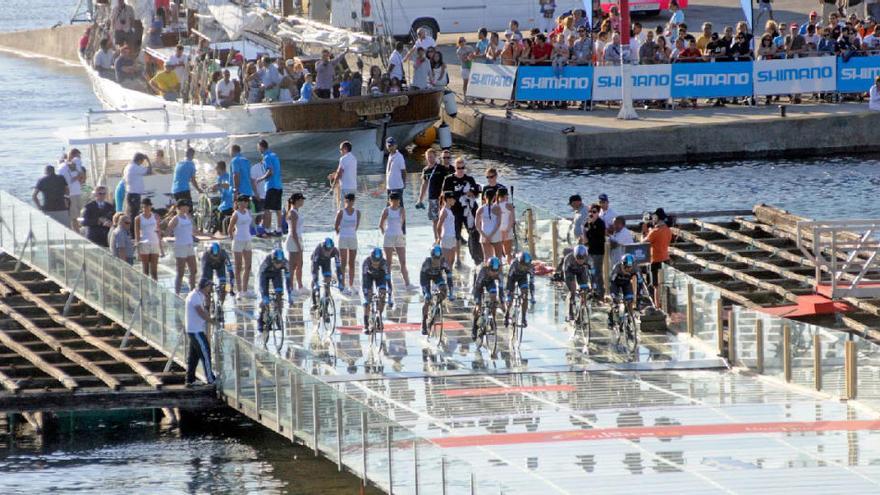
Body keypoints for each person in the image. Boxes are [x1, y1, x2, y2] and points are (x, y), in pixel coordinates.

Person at [441, 158, 479, 267]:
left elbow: (476, 193)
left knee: (472, 233)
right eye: (458, 168)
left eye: (462, 167)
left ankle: (476, 257)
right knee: (456, 236)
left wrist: (471, 193)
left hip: (468, 212)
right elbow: (444, 195)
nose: (461, 170)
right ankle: (458, 259)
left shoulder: (469, 179)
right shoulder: (449, 179)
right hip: (454, 211)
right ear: (455, 168)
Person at [184, 279, 216, 386]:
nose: (210, 289)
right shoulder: (194, 296)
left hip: (194, 329)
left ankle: (190, 380)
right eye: (209, 286)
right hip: (195, 331)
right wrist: (212, 321)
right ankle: (211, 379)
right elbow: (200, 312)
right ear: (204, 287)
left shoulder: (199, 295)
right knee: (205, 353)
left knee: (194, 356)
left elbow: (204, 311)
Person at [419, 245, 454, 334]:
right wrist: (426, 292)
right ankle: (424, 322)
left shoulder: (444, 262)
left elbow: (449, 277)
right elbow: (422, 280)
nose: (437, 261)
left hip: (437, 276)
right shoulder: (426, 263)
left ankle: (437, 304)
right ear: (432, 257)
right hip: (426, 277)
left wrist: (451, 293)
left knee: (443, 290)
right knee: (427, 298)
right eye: (435, 259)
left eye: (439, 259)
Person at [379, 191, 412, 287]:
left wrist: (398, 233)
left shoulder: (402, 210)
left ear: (399, 201)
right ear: (389, 201)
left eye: (397, 200)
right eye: (393, 200)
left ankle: (407, 283)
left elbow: (402, 223)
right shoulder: (386, 210)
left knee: (403, 261)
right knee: (388, 262)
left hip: (399, 236)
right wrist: (385, 233)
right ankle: (387, 282)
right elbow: (381, 225)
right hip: (389, 236)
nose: (395, 202)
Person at [642, 208, 673, 306]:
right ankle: (666, 305)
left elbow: (643, 242)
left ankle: (657, 306)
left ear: (657, 217)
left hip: (655, 260)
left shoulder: (655, 231)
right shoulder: (668, 230)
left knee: (656, 286)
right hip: (666, 258)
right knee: (665, 284)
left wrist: (644, 232)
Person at [471, 257, 506, 340]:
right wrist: (478, 302)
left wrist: (502, 302)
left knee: (494, 297)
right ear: (488, 268)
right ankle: (474, 326)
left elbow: (501, 291)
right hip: (478, 284)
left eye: (496, 271)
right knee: (478, 307)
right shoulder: (482, 271)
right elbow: (477, 288)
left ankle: (493, 320)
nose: (494, 273)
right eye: (492, 271)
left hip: (490, 282)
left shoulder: (499, 273)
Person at [257, 249, 291, 332]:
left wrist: (289, 294)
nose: (278, 265)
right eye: (276, 263)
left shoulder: (286, 263)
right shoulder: (266, 261)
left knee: (279, 295)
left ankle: (278, 317)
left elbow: (288, 280)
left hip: (276, 275)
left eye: (280, 263)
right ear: (272, 260)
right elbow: (261, 279)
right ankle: (260, 319)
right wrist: (263, 295)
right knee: (265, 299)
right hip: (264, 274)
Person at [167, 199, 197, 294]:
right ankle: (177, 293)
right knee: (180, 272)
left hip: (189, 245)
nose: (187, 208)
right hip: (181, 246)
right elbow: (168, 230)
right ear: (180, 207)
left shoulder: (188, 217)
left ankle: (192, 291)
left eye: (187, 206)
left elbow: (193, 230)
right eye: (185, 206)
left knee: (194, 270)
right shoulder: (176, 219)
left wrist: (208, 235)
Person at [416, 149, 451, 228]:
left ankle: (444, 237)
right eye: (428, 157)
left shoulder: (441, 168)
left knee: (444, 218)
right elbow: (424, 185)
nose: (429, 159)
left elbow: (448, 181)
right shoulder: (425, 170)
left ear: (435, 157)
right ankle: (437, 239)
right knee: (434, 220)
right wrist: (420, 200)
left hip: (442, 198)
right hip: (432, 197)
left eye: (431, 157)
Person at [228, 195, 254, 298]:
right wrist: (233, 238)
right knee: (238, 267)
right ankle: (239, 290)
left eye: (246, 202)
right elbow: (230, 229)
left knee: (248, 266)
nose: (244, 204)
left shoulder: (248, 212)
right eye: (242, 202)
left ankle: (245, 289)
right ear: (238, 203)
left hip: (247, 240)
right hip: (238, 240)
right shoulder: (236, 214)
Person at [361, 248, 392, 334]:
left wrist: (389, 297)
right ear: (371, 258)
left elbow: (388, 281)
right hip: (368, 277)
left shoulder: (384, 263)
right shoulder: (366, 262)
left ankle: (379, 317)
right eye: (374, 262)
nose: (375, 264)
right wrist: (366, 294)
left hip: (380, 277)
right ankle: (366, 325)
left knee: (382, 294)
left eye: (377, 262)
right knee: (368, 299)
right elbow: (364, 280)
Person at [334, 193, 360, 293]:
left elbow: (356, 226)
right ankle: (342, 284)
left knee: (352, 263)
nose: (350, 203)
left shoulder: (357, 213)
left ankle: (351, 285)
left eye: (352, 201)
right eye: (348, 201)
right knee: (343, 262)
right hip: (343, 238)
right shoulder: (341, 212)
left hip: (353, 238)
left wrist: (350, 232)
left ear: (353, 201)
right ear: (345, 201)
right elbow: (336, 226)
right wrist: (341, 231)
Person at [257, 139, 283, 235]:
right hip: (279, 186)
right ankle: (279, 230)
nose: (258, 149)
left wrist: (260, 178)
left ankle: (267, 230)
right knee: (278, 209)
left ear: (261, 147)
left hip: (271, 186)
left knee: (267, 209)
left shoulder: (267, 157)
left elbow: (270, 171)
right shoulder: (274, 155)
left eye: (258, 148)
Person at [134, 197, 163, 280]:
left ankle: (155, 288)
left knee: (154, 270)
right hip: (144, 243)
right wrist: (138, 249)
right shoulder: (138, 218)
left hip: (154, 242)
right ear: (142, 207)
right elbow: (137, 234)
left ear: (150, 207)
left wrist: (160, 246)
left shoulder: (156, 216)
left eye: (147, 206)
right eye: (144, 207)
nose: (146, 208)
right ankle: (145, 290)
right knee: (145, 269)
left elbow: (158, 231)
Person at [504, 251, 535, 328]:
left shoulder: (531, 267)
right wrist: (509, 293)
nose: (524, 267)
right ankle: (507, 314)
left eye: (526, 266)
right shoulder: (514, 264)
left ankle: (523, 318)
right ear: (518, 262)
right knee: (510, 298)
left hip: (522, 278)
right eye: (522, 265)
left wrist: (532, 297)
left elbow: (531, 283)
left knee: (525, 295)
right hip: (512, 278)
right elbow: (509, 279)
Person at [310, 237, 343, 310]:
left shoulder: (335, 251)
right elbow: (314, 269)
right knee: (315, 278)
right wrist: (316, 282)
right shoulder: (318, 250)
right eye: (326, 250)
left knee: (327, 282)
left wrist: (341, 282)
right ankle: (314, 301)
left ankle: (326, 309)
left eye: (330, 250)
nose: (328, 252)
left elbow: (338, 268)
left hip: (326, 262)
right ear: (322, 248)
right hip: (316, 261)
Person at [58, 149, 87, 230]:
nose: (79, 158)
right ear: (73, 156)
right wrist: (79, 174)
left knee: (77, 215)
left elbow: (81, 180)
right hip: (71, 194)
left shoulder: (72, 166)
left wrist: (79, 173)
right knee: (74, 217)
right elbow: (72, 180)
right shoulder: (67, 166)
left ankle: (77, 230)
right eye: (78, 156)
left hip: (76, 192)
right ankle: (76, 232)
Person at [583, 203, 606, 299]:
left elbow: (597, 236)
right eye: (590, 212)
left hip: (598, 252)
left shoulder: (600, 223)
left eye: (594, 212)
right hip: (590, 251)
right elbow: (585, 236)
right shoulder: (588, 223)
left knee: (597, 272)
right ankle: (593, 290)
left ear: (598, 213)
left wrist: (591, 224)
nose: (591, 214)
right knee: (590, 272)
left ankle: (600, 293)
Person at [609, 254, 639, 326]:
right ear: (622, 265)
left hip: (626, 283)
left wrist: (637, 295)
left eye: (630, 267)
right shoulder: (616, 268)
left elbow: (639, 281)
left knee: (630, 300)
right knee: (615, 301)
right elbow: (611, 282)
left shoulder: (635, 268)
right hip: (616, 283)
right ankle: (611, 318)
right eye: (626, 267)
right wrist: (612, 295)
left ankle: (630, 321)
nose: (628, 269)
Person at [563, 244, 591, 321]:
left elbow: (593, 272)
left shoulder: (588, 259)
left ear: (585, 256)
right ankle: (570, 312)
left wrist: (593, 285)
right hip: (570, 271)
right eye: (578, 258)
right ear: (574, 256)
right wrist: (573, 287)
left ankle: (580, 314)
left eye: (582, 258)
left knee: (584, 290)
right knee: (573, 289)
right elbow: (566, 274)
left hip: (581, 271)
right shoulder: (568, 259)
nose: (581, 260)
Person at [285, 193, 306, 294]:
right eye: (301, 199)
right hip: (293, 240)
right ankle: (290, 287)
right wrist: (298, 245)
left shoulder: (297, 212)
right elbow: (293, 231)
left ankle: (300, 285)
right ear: (297, 200)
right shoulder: (292, 212)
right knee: (292, 265)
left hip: (298, 238)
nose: (303, 202)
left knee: (300, 264)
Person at [123, 152, 151, 224]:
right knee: (134, 215)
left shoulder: (128, 166)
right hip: (134, 194)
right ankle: (133, 232)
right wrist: (148, 161)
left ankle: (131, 231)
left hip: (130, 193)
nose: (142, 163)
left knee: (131, 214)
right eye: (142, 161)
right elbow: (149, 171)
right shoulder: (135, 167)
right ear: (139, 160)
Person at [476, 189, 502, 262]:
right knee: (498, 257)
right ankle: (499, 273)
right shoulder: (497, 208)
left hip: (484, 234)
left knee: (487, 258)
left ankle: (486, 273)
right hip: (495, 234)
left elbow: (477, 225)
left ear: (484, 197)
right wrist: (491, 235)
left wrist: (485, 236)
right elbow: (498, 224)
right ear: (494, 197)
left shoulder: (480, 209)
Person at [330, 141, 357, 207]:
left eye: (341, 149)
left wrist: (333, 186)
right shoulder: (354, 158)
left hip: (345, 187)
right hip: (353, 187)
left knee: (342, 208)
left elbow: (339, 173)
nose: (340, 151)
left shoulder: (343, 159)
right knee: (350, 207)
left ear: (345, 148)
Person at [435, 192, 458, 267]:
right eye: (453, 199)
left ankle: (449, 276)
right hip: (446, 237)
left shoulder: (449, 210)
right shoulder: (444, 211)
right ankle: (445, 277)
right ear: (448, 199)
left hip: (452, 236)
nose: (455, 200)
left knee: (452, 260)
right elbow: (438, 226)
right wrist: (439, 238)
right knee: (446, 261)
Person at [385, 137, 407, 205]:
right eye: (389, 146)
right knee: (389, 207)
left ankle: (403, 216)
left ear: (396, 145)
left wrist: (404, 183)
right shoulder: (390, 156)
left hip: (397, 186)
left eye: (392, 145)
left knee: (399, 206)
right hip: (389, 186)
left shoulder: (399, 157)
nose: (390, 147)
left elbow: (403, 171)